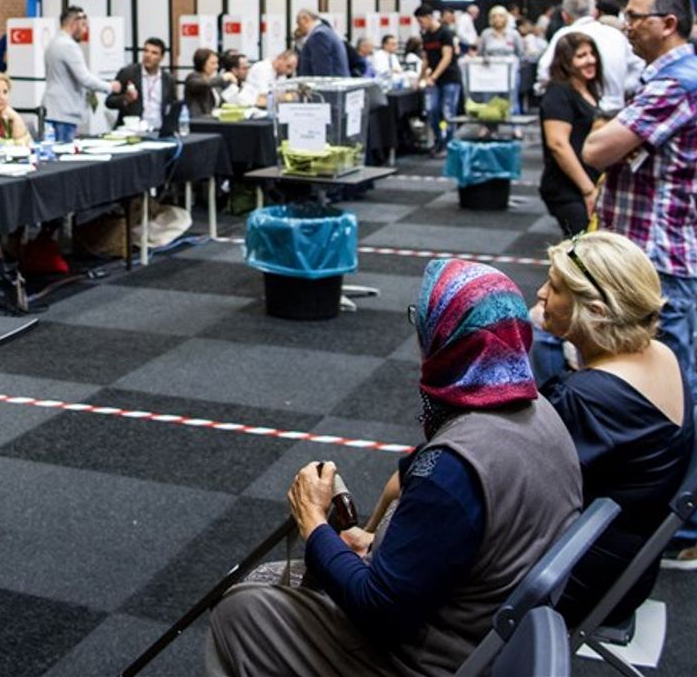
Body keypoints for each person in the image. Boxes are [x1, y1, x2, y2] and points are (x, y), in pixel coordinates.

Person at [206, 259, 582, 676]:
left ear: (443, 338)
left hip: (425, 659)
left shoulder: (453, 468)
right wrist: (374, 548)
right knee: (274, 577)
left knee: (239, 608)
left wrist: (313, 523)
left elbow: (379, 612)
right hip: (484, 634)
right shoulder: (543, 411)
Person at [582, 0, 697, 569]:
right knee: (656, 387)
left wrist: (608, 133)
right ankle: (673, 522)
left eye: (635, 15)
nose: (624, 23)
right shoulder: (670, 79)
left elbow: (597, 149)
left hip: (658, 262)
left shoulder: (677, 81)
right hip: (652, 256)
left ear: (667, 22)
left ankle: (683, 531)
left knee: (667, 395)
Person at [532, 232, 694, 630]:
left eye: (554, 287)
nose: (540, 294)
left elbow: (510, 482)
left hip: (572, 575)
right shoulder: (660, 352)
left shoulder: (588, 400)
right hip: (622, 564)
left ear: (597, 312)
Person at [538, 35, 602, 237]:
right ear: (566, 61)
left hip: (588, 181)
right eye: (581, 56)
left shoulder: (588, 89)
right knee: (581, 253)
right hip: (567, 187)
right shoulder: (559, 92)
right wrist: (588, 190)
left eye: (592, 54)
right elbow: (558, 144)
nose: (590, 60)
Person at [537, 0, 639, 113]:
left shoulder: (564, 35)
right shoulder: (616, 35)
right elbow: (638, 68)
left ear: (564, 15)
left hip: (580, 113)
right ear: (595, 12)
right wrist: (620, 91)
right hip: (616, 111)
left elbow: (544, 73)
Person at [44, 6, 121, 143]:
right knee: (64, 156)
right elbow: (84, 78)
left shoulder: (54, 42)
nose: (86, 31)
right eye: (84, 25)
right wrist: (110, 87)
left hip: (57, 110)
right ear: (73, 23)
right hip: (64, 112)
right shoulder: (68, 46)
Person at [105, 36, 175, 130]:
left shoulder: (168, 79)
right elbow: (109, 101)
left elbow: (172, 105)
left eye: (154, 53)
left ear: (161, 58)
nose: (148, 55)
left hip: (159, 131)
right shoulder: (128, 73)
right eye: (146, 51)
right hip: (133, 131)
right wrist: (126, 99)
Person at [414, 4, 458, 152]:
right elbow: (426, 59)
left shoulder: (445, 33)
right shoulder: (426, 36)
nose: (421, 24)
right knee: (432, 109)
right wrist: (420, 78)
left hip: (450, 77)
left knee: (447, 111)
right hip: (435, 80)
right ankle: (439, 138)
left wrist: (433, 76)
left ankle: (448, 141)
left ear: (429, 17)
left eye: (421, 21)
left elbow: (447, 57)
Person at [295, 8, 349, 77]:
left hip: (327, 86)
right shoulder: (327, 32)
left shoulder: (319, 36)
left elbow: (321, 69)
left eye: (298, 23)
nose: (299, 27)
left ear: (306, 19)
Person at [184, 46, 230, 117]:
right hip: (199, 120)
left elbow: (221, 101)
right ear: (202, 64)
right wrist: (222, 78)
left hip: (213, 119)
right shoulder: (193, 77)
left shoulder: (212, 78)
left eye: (217, 63)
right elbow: (204, 84)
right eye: (213, 63)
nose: (216, 66)